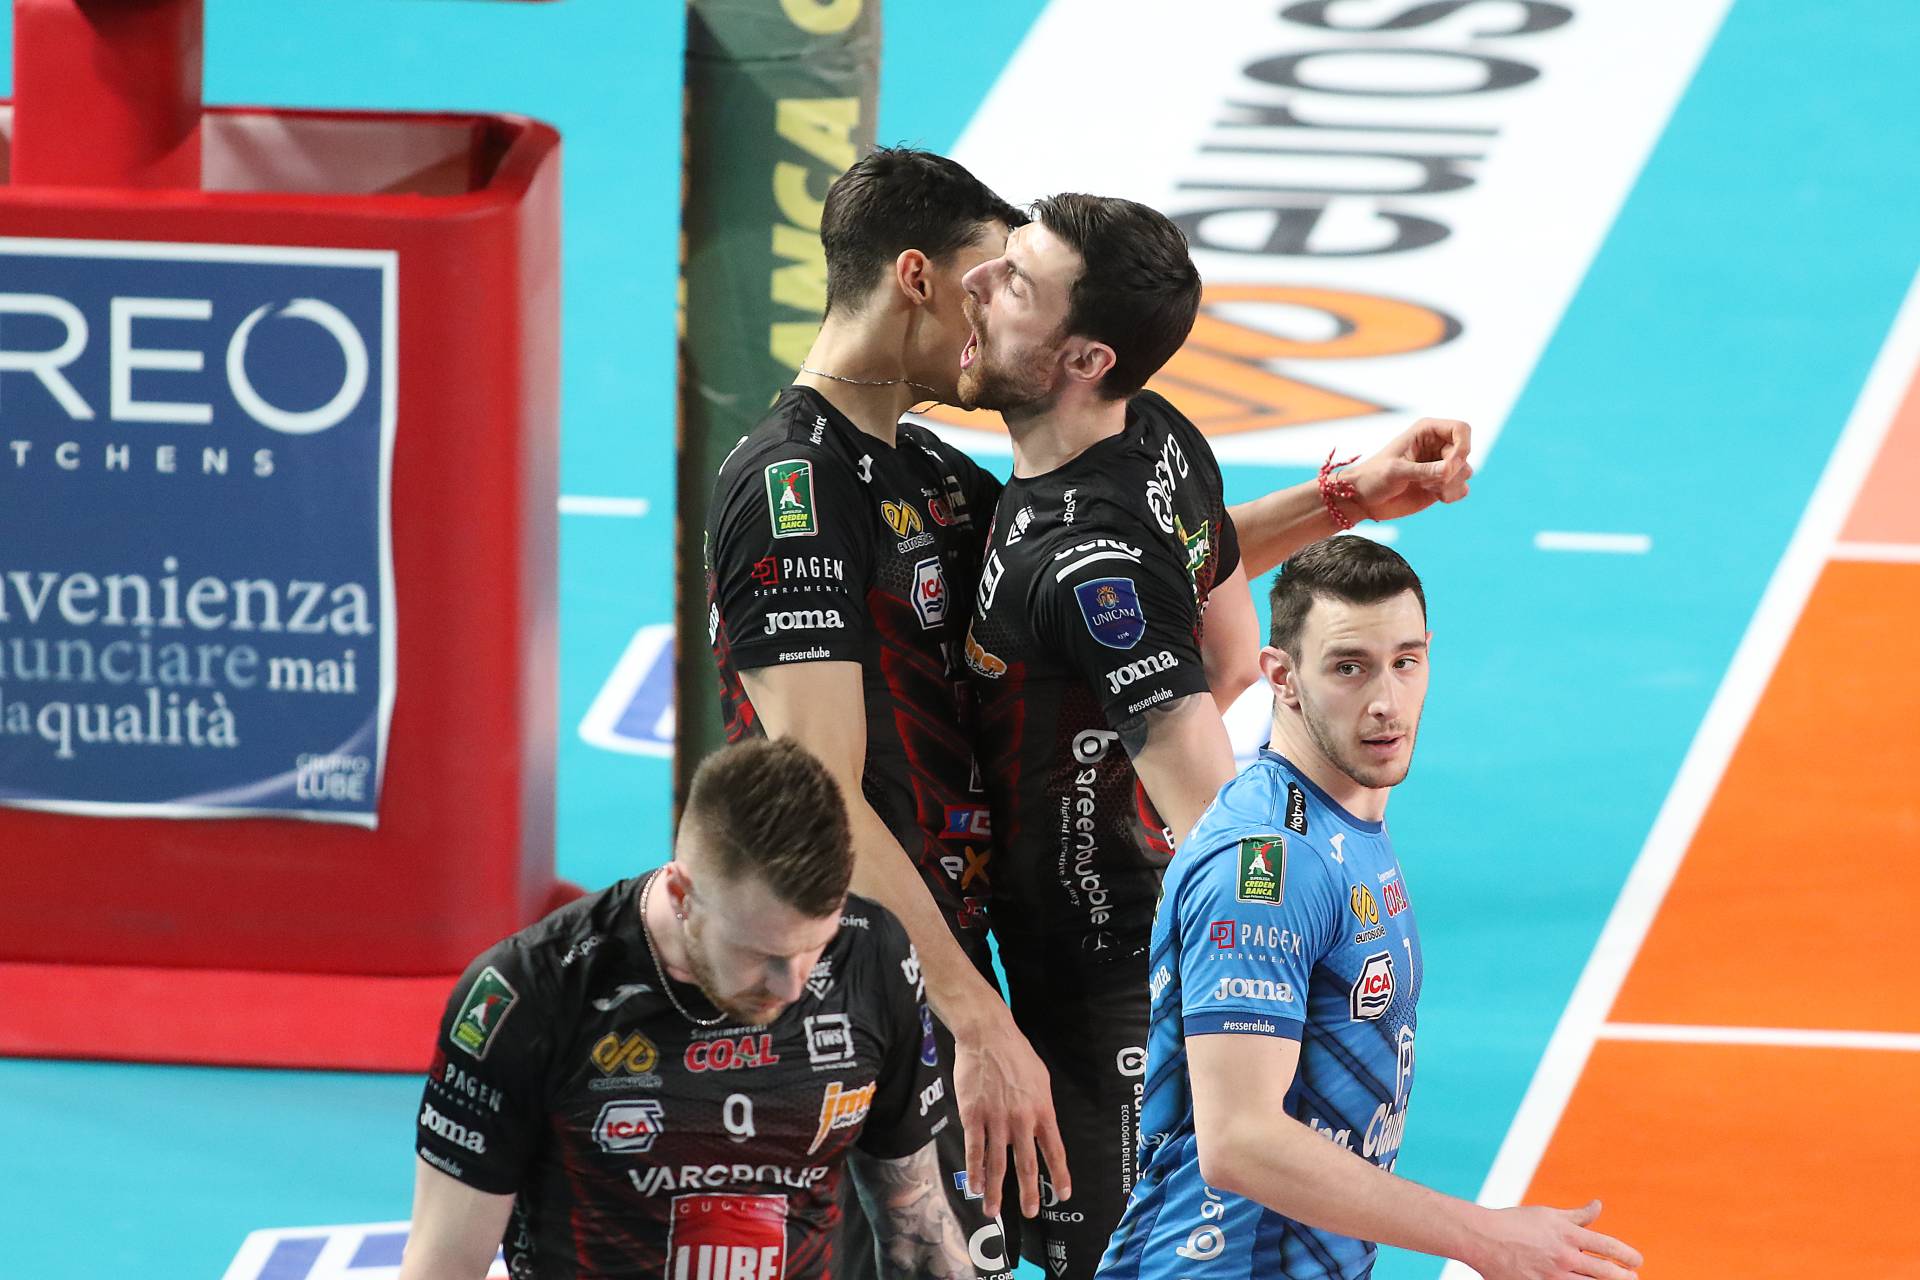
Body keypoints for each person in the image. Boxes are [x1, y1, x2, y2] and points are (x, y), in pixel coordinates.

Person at [954, 193, 1473, 1278]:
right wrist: (1347, 496)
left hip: (1100, 988)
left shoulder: (1085, 564)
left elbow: (1223, 837)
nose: (978, 283)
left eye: (1015, 282)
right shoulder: (1156, 435)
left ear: (1084, 358)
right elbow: (1223, 630)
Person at [1094, 538, 1644, 1280]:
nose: (1386, 702)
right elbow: (1240, 1140)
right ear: (1282, 678)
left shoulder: (1343, 820)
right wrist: (1484, 1237)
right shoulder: (1267, 869)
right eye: (1349, 667)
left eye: (1405, 662)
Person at [704, 147, 1053, 1277]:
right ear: (915, 277)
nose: (1000, 316)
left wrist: (1343, 497)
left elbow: (1108, 586)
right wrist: (976, 1017)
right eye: (987, 283)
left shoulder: (930, 469)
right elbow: (823, 802)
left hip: (937, 961)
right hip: (847, 988)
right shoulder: (792, 487)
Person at [398, 739, 971, 1280]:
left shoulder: (871, 955)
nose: (793, 985)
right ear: (681, 895)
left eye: (813, 947)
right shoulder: (529, 992)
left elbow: (917, 1231)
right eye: (761, 954)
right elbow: (445, 1265)